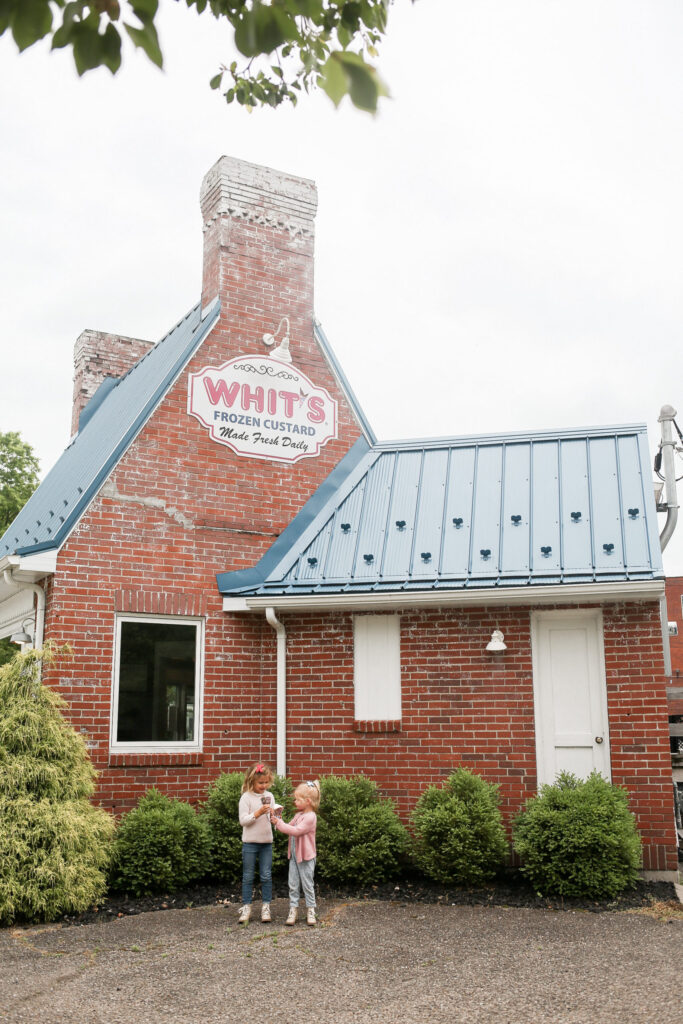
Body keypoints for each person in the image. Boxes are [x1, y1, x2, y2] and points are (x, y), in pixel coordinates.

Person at [272, 779, 320, 927]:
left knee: (307, 884)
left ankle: (311, 909)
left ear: (308, 801)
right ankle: (293, 909)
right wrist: (278, 819)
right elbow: (289, 826)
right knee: (293, 884)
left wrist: (279, 824)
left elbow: (296, 831)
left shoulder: (311, 817)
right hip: (294, 856)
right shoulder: (299, 815)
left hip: (305, 857)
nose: (295, 802)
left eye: (298, 799)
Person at [237, 762, 276, 924]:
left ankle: (266, 906)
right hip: (250, 844)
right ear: (252, 781)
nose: (264, 785)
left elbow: (272, 819)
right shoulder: (246, 798)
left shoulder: (270, 796)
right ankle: (247, 906)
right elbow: (243, 821)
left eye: (266, 782)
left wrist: (275, 817)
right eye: (261, 783)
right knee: (247, 876)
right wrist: (258, 813)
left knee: (266, 876)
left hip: (266, 843)